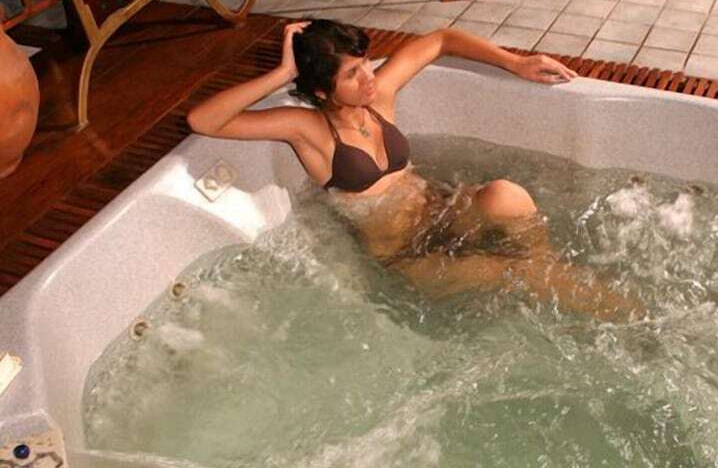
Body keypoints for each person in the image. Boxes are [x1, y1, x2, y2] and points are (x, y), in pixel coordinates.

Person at [187, 20, 641, 321]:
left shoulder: (379, 96)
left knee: (507, 195)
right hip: (408, 257)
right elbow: (204, 121)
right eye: (352, 74)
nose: (369, 77)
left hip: (444, 212)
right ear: (322, 91)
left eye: (365, 64)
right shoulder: (308, 130)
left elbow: (441, 39)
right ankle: (622, 314)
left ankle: (556, 271)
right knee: (512, 271)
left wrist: (516, 62)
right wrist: (281, 73)